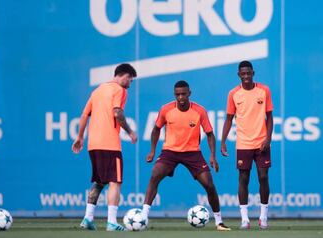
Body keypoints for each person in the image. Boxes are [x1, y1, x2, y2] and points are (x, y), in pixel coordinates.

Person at [141, 80, 231, 231]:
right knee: (155, 175)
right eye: (177, 94)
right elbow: (156, 129)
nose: (181, 97)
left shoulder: (199, 111)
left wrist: (213, 156)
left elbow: (210, 134)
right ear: (174, 95)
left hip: (192, 152)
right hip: (170, 151)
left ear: (189, 93)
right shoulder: (166, 109)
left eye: (183, 94)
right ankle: (143, 216)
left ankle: (219, 222)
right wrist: (152, 151)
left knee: (209, 184)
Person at [72, 63, 138, 231]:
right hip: (110, 145)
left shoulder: (98, 90)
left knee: (99, 182)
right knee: (115, 182)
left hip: (93, 145)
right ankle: (112, 222)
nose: (130, 83)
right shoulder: (120, 90)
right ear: (123, 75)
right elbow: (118, 113)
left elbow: (84, 114)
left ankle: (87, 218)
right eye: (130, 79)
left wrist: (80, 137)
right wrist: (130, 131)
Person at [221, 60, 273, 229]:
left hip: (261, 143)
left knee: (263, 177)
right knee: (243, 178)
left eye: (248, 73)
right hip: (243, 143)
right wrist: (222, 141)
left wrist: (268, 139)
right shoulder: (233, 94)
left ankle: (263, 216)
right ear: (239, 75)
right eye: (242, 74)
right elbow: (229, 119)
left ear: (253, 73)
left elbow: (270, 117)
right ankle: (245, 219)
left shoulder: (264, 90)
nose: (246, 76)